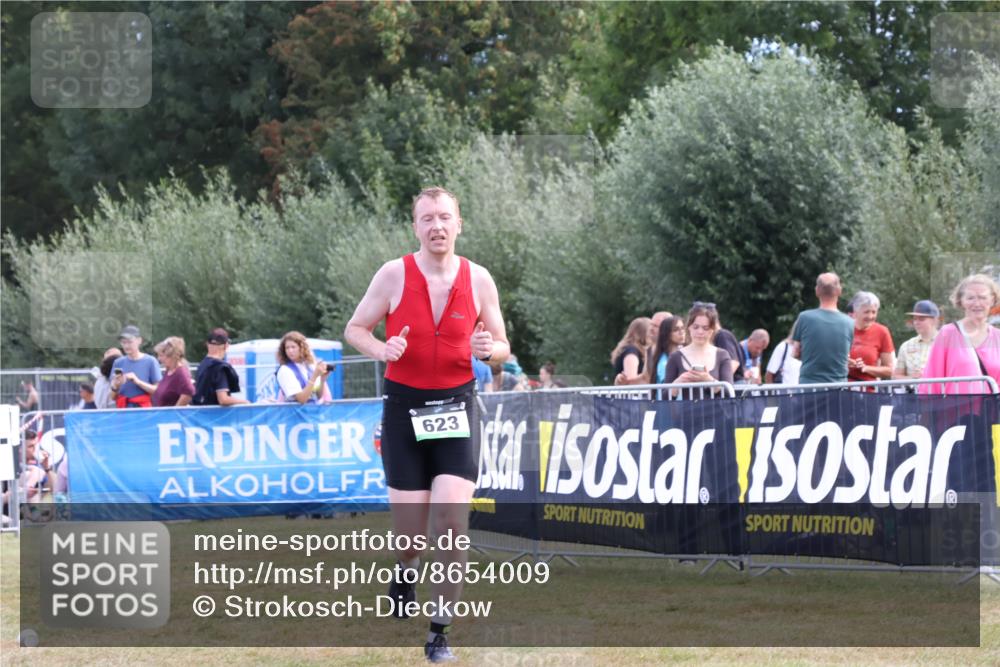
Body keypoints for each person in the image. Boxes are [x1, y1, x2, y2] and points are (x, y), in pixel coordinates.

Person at [343, 186, 509, 663]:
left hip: (457, 408)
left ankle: (439, 633)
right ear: (415, 227)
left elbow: (502, 345)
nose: (436, 226)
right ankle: (404, 569)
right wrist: (382, 349)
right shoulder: (394, 274)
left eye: (444, 217)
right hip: (404, 410)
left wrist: (489, 351)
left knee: (453, 524)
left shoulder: (478, 279)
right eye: (427, 218)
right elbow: (356, 328)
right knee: (412, 537)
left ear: (459, 224)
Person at [920, 274, 1000, 394]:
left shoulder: (998, 337)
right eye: (970, 298)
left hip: (992, 411)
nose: (977, 303)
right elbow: (932, 380)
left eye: (983, 298)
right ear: (961, 301)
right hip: (956, 411)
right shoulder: (947, 334)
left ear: (992, 300)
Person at [792, 273, 854, 384]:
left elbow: (796, 353)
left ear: (817, 291)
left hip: (809, 386)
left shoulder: (804, 317)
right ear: (839, 291)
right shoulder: (849, 323)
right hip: (838, 386)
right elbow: (845, 355)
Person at [664, 304, 735, 393]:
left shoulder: (722, 355)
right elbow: (664, 396)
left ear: (712, 330)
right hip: (686, 407)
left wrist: (709, 381)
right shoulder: (675, 357)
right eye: (696, 327)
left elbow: (729, 392)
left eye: (705, 328)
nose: (700, 332)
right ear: (689, 328)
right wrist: (678, 383)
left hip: (715, 407)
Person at [846, 291, 895, 384]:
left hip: (868, 391)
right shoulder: (843, 329)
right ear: (855, 312)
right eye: (866, 312)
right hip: (842, 388)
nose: (870, 316)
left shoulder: (882, 331)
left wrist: (865, 368)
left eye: (874, 312)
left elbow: (889, 370)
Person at [192, 328, 248, 406]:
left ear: (207, 344)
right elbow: (223, 399)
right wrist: (245, 402)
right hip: (214, 416)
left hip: (199, 414)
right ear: (226, 345)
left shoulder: (202, 366)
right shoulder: (219, 368)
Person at [109, 325, 161, 408]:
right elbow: (112, 397)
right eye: (123, 342)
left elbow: (158, 391)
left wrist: (137, 381)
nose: (126, 346)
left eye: (129, 342)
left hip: (143, 411)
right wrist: (116, 386)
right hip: (123, 410)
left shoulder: (150, 361)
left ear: (139, 340)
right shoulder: (118, 363)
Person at [275, 331, 333, 404]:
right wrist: (314, 376)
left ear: (302, 348)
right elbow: (302, 399)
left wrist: (322, 379)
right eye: (287, 348)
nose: (290, 351)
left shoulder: (309, 366)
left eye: (293, 347)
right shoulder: (285, 370)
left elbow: (318, 396)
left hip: (311, 413)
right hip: (294, 414)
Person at [893, 300, 941, 381]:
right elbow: (895, 376)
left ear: (934, 320)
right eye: (915, 319)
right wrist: (912, 379)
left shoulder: (947, 343)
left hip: (941, 392)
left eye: (921, 319)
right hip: (914, 393)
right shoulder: (906, 346)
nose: (916, 322)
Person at [152, 336, 195, 407]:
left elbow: (189, 391)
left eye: (161, 355)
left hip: (172, 417)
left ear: (172, 356)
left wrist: (175, 411)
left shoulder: (181, 373)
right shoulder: (169, 370)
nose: (159, 359)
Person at [611, 317, 651, 385]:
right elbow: (630, 379)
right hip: (632, 394)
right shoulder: (631, 352)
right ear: (644, 333)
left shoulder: (628, 349)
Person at [651, 315, 686, 384]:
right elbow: (668, 385)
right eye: (676, 330)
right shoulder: (664, 360)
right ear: (667, 333)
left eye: (683, 328)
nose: (681, 332)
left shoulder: (686, 354)